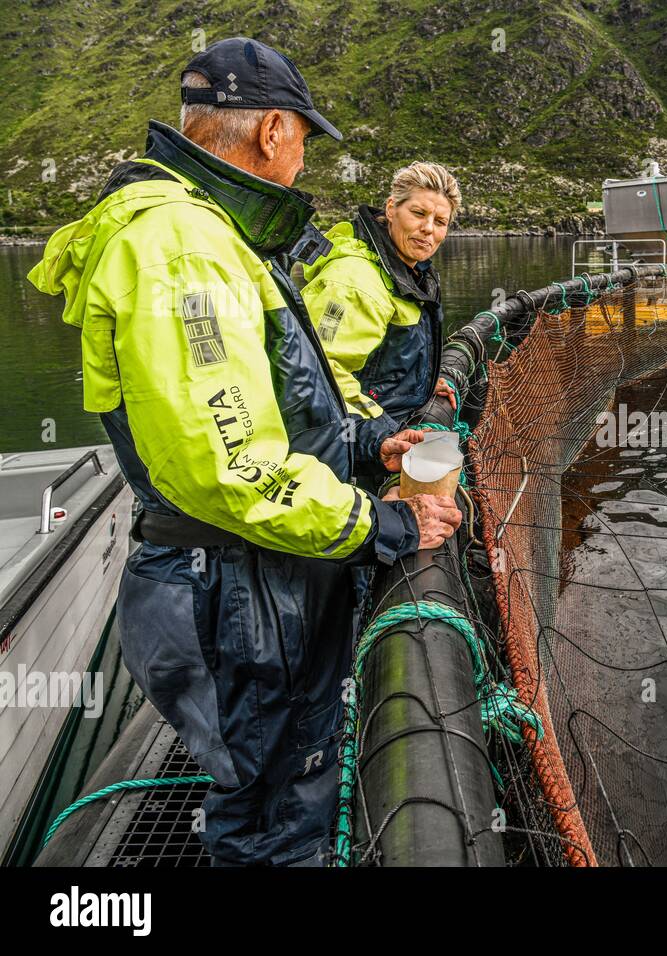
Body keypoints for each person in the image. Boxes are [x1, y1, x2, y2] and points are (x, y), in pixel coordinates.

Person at [27, 37, 462, 866]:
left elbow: (273, 399)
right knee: (273, 817)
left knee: (275, 789)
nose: (302, 161)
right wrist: (388, 525)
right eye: (304, 139)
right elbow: (232, 468)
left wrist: (368, 437)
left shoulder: (204, 233)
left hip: (248, 581)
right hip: (236, 592)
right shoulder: (184, 248)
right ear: (272, 130)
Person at [301, 162, 461, 444]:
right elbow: (321, 377)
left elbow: (382, 364)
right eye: (418, 213)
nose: (427, 229)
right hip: (352, 446)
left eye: (440, 222)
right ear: (391, 209)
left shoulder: (407, 269)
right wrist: (384, 436)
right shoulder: (353, 281)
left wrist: (421, 382)